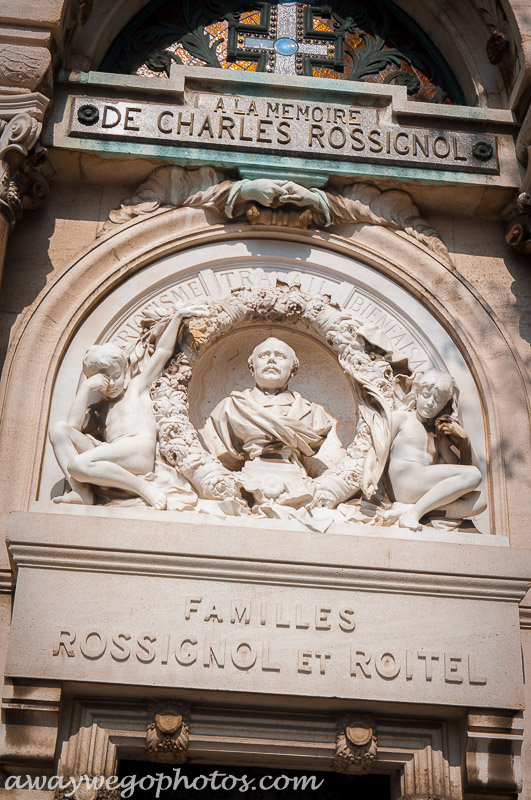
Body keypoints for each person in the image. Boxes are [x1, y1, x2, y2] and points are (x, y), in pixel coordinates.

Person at [49, 303, 209, 509]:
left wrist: (177, 318)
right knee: (58, 430)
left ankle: (143, 488)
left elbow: (162, 352)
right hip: (113, 452)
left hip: (137, 451)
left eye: (116, 376)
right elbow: (72, 426)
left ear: (125, 370)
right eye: (103, 380)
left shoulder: (137, 387)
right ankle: (82, 492)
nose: (112, 384)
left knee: (78, 465)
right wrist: (86, 388)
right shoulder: (100, 408)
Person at [384, 368, 486, 530]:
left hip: (421, 487)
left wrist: (464, 441)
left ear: (445, 404)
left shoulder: (439, 434)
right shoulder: (401, 418)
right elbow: (378, 449)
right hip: (404, 481)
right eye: (426, 396)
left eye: (438, 400)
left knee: (480, 502)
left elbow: (463, 478)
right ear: (416, 393)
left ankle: (409, 510)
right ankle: (415, 512)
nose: (431, 403)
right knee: (473, 475)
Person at [210, 337, 332, 467]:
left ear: (293, 370)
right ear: (252, 368)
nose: (271, 360)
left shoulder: (313, 413)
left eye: (280, 356)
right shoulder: (230, 407)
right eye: (263, 356)